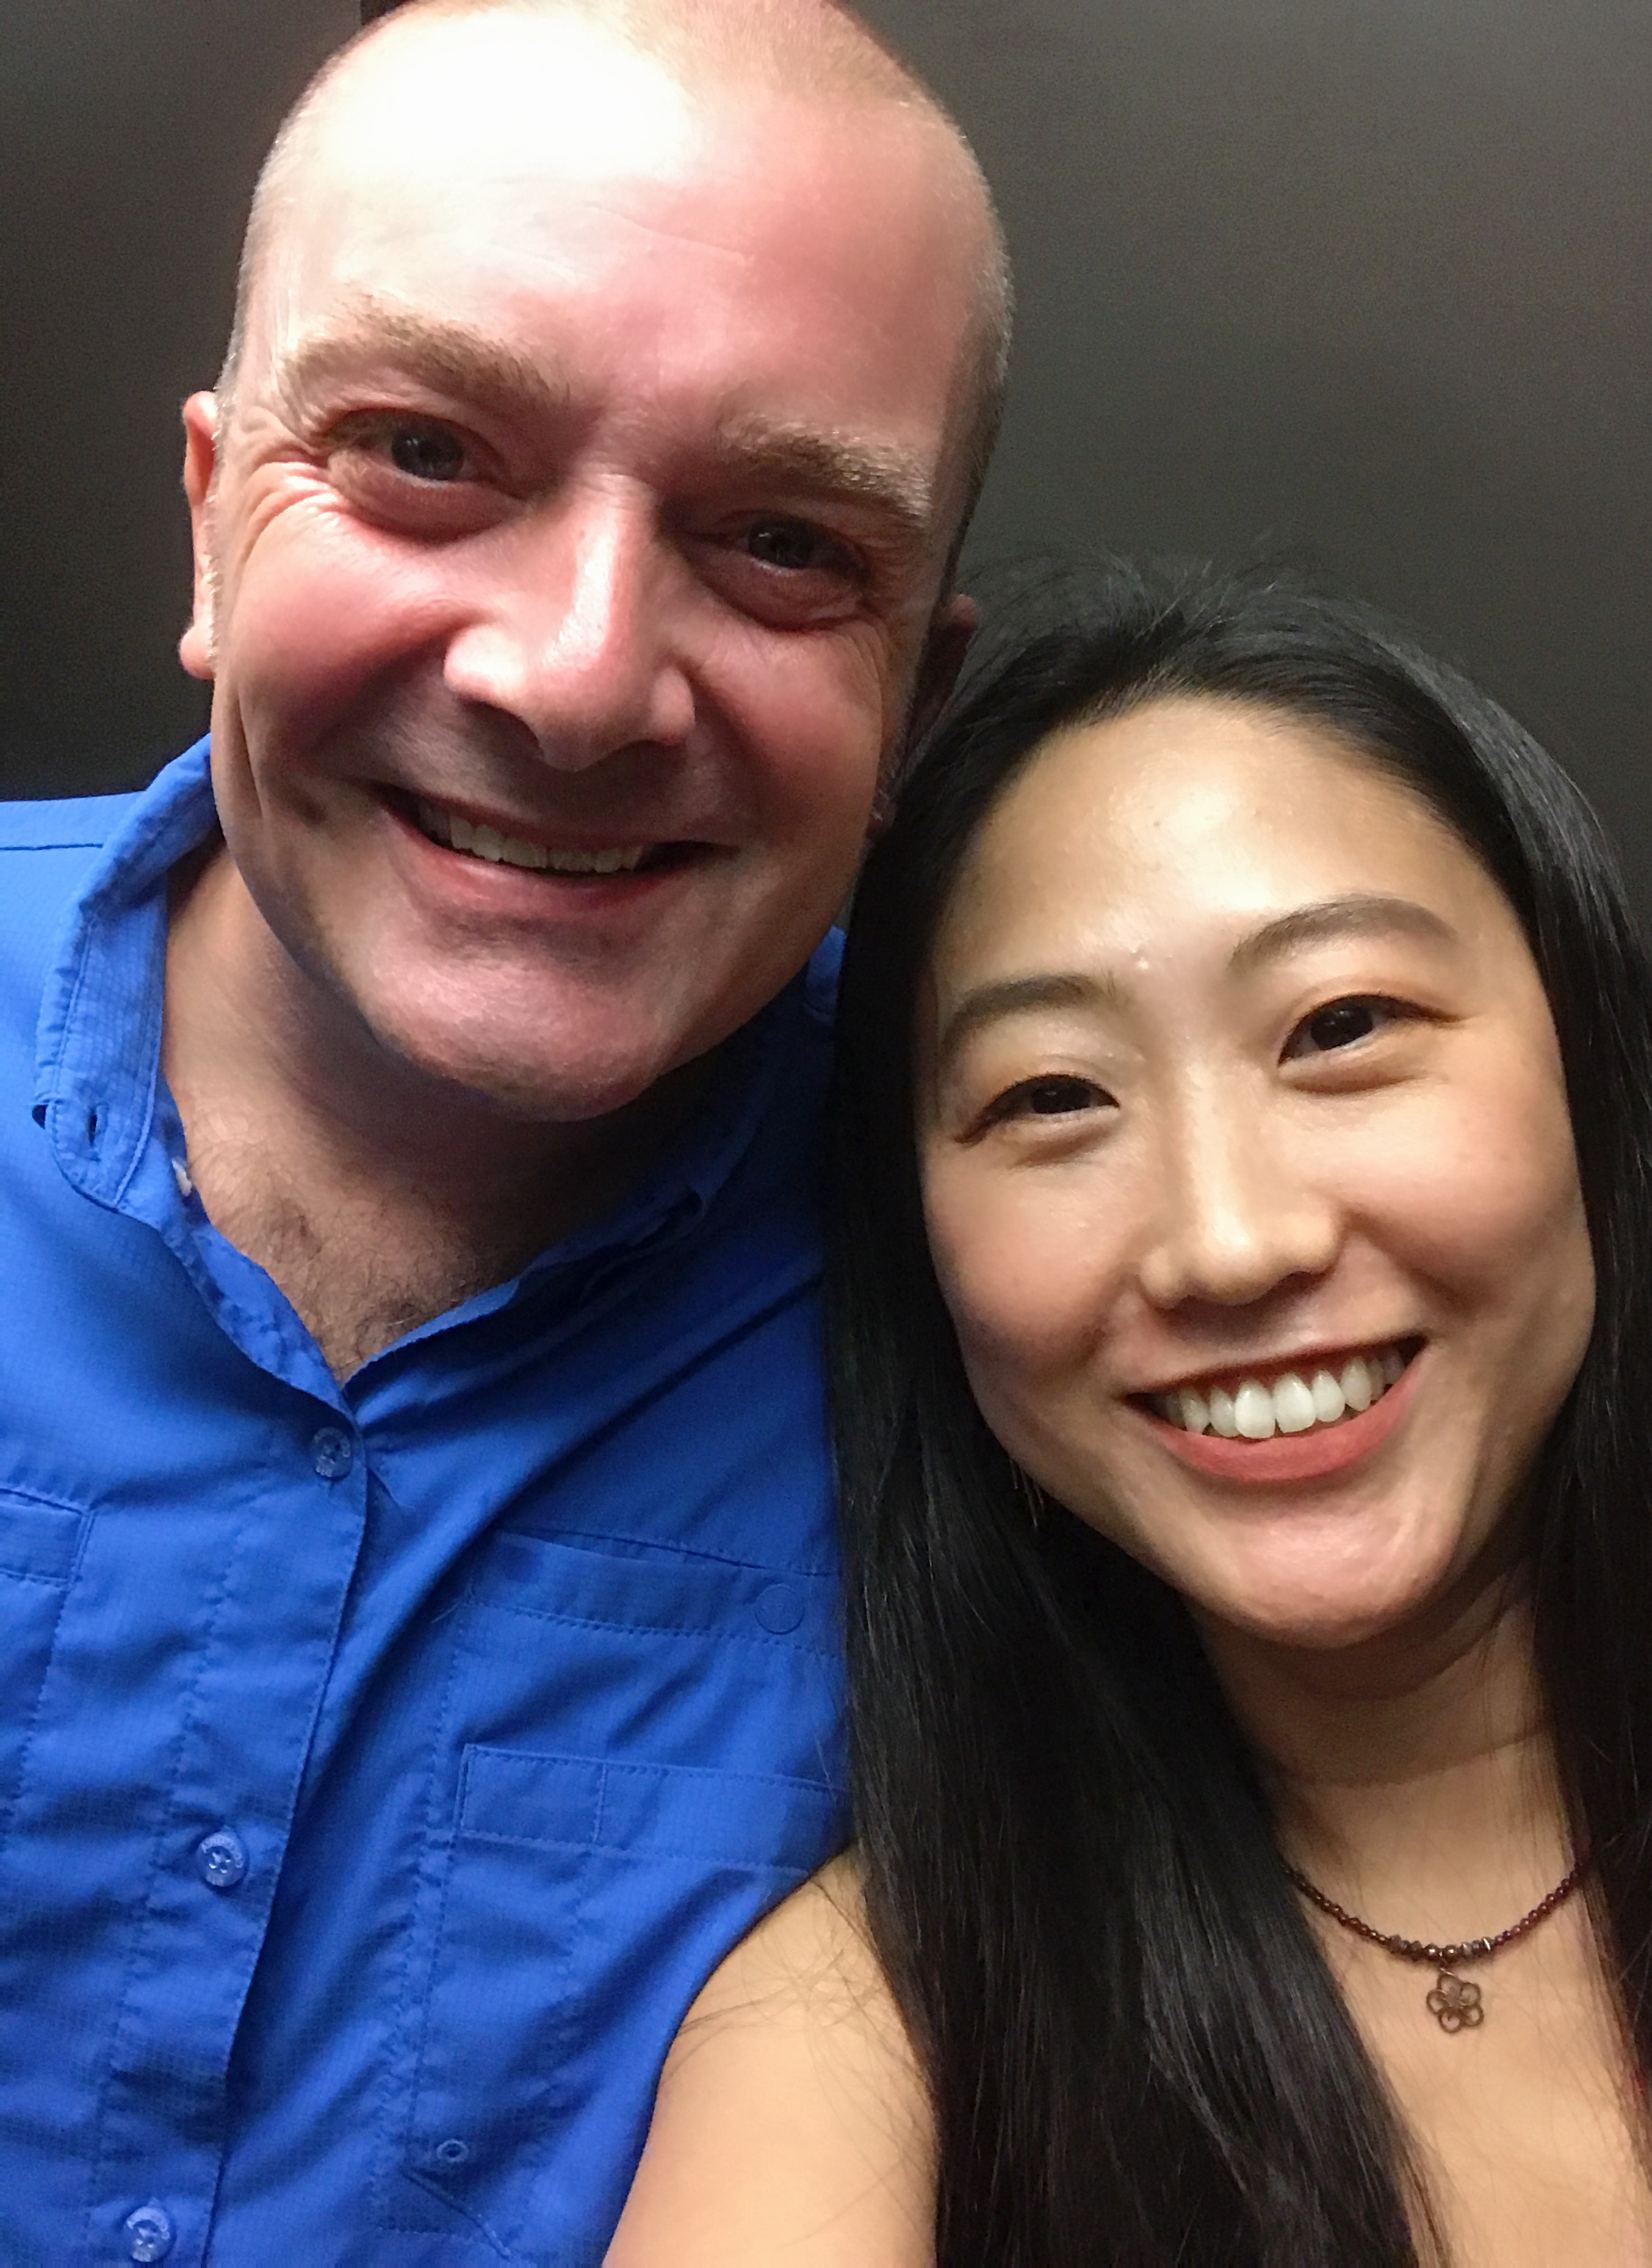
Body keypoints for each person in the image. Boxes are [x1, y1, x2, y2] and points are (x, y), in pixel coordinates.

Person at [0, 0, 1007, 2256]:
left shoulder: (1035, 1287)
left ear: (912, 705)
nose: (572, 678)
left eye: (782, 540)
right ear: (210, 524)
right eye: (423, 452)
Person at [610, 566, 1652, 2266]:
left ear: (1592, 1074)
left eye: (1340, 1025)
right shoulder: (861, 2044)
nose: (1228, 1240)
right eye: (1051, 1094)